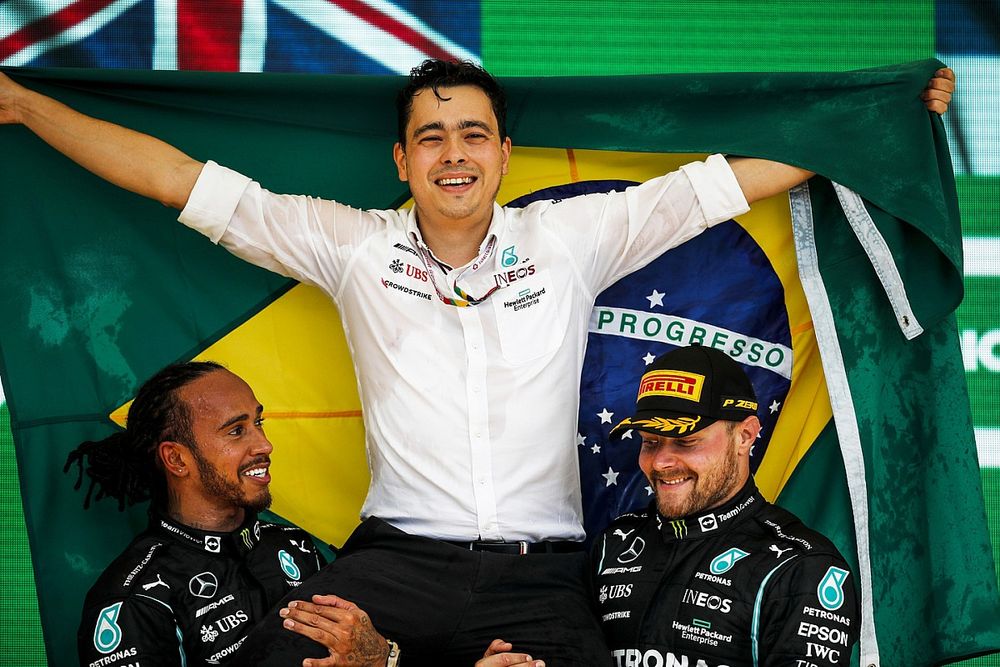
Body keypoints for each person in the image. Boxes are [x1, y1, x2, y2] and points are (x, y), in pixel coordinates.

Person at [0, 61, 952, 666]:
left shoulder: (574, 234)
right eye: (430, 137)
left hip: (547, 577)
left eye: (471, 135)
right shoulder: (351, 245)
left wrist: (876, 121)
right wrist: (25, 105)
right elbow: (175, 179)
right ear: (401, 161)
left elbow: (724, 184)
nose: (452, 153)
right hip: (395, 563)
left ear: (502, 153)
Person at [67, 361, 373, 666]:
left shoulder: (295, 545)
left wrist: (381, 657)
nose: (265, 445)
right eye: (237, 430)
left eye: (258, 422)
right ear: (176, 458)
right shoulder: (135, 600)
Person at [592, 344, 859, 666]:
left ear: (745, 435)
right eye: (650, 442)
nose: (661, 462)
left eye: (686, 442)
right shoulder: (614, 542)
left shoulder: (803, 566)